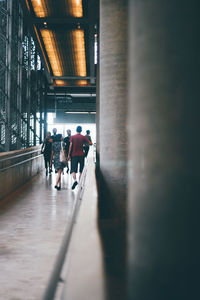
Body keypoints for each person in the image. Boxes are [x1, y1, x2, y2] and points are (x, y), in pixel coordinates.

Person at [68, 125, 92, 190]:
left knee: (73, 169)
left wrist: (68, 155)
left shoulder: (72, 137)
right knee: (81, 170)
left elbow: (70, 146)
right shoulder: (83, 137)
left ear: (76, 130)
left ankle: (75, 181)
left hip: (74, 155)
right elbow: (90, 143)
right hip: (81, 155)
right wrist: (83, 143)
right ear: (81, 130)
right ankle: (80, 184)